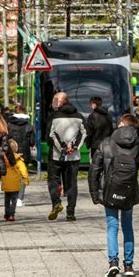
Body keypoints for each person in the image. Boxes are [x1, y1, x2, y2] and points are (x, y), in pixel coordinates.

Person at [88, 114, 139, 277]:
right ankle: (129, 265)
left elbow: (94, 170)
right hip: (128, 191)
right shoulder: (137, 145)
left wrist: (94, 193)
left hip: (109, 190)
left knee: (112, 226)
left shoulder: (106, 143)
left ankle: (113, 262)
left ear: (120, 124)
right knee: (128, 226)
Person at [46, 92, 86, 221]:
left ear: (59, 102)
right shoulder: (79, 116)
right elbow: (84, 133)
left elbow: (50, 135)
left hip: (56, 156)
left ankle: (56, 203)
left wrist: (62, 147)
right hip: (73, 157)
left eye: (54, 100)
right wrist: (73, 147)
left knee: (53, 181)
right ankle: (71, 212)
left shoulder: (54, 116)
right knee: (71, 184)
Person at [7, 105, 35, 207]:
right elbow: (32, 142)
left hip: (11, 154)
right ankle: (19, 198)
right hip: (24, 155)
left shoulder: (9, 125)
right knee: (23, 175)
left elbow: (6, 139)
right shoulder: (29, 126)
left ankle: (12, 197)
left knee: (12, 175)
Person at [1, 139, 29, 221]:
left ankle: (6, 214)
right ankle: (12, 215)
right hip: (16, 183)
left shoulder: (4, 159)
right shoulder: (19, 160)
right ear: (16, 149)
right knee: (14, 200)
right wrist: (26, 179)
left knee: (6, 200)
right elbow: (24, 171)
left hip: (6, 183)